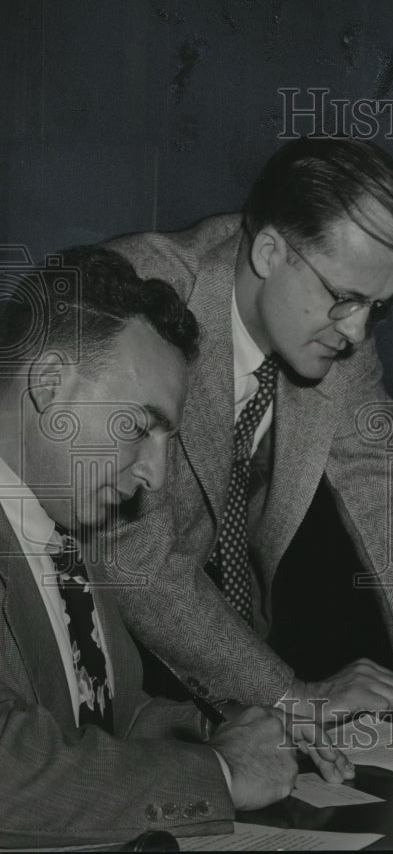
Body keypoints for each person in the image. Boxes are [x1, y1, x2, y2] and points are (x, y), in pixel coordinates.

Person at [102, 137, 393, 736]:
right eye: (346, 299)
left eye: (377, 307)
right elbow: (134, 559)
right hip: (95, 655)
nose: (356, 332)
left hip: (223, 654)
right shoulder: (137, 304)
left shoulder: (333, 319)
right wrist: (292, 696)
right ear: (270, 251)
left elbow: (383, 479)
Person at [0, 246, 300, 847]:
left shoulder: (69, 524)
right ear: (50, 383)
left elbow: (102, 719)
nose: (156, 477)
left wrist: (222, 729)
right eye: (138, 427)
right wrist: (220, 772)